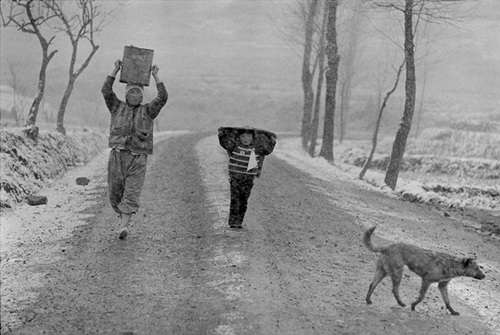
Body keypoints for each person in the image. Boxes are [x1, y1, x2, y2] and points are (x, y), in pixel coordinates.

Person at [101, 59, 168, 239]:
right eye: (132, 93)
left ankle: (124, 225)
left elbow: (163, 98)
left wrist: (155, 75)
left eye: (138, 93)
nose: (135, 96)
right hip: (117, 156)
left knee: (132, 191)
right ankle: (122, 213)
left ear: (142, 96)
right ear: (126, 95)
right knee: (115, 194)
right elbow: (106, 91)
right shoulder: (116, 107)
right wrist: (115, 69)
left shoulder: (148, 111)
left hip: (138, 157)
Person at [218, 126, 277, 228]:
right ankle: (233, 222)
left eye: (248, 136)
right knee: (235, 199)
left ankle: (239, 221)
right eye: (243, 136)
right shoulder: (235, 146)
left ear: (253, 138)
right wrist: (221, 134)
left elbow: (268, 150)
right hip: (235, 178)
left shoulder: (257, 148)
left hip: (248, 179)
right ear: (238, 138)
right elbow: (225, 143)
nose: (245, 139)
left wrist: (272, 141)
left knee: (243, 200)